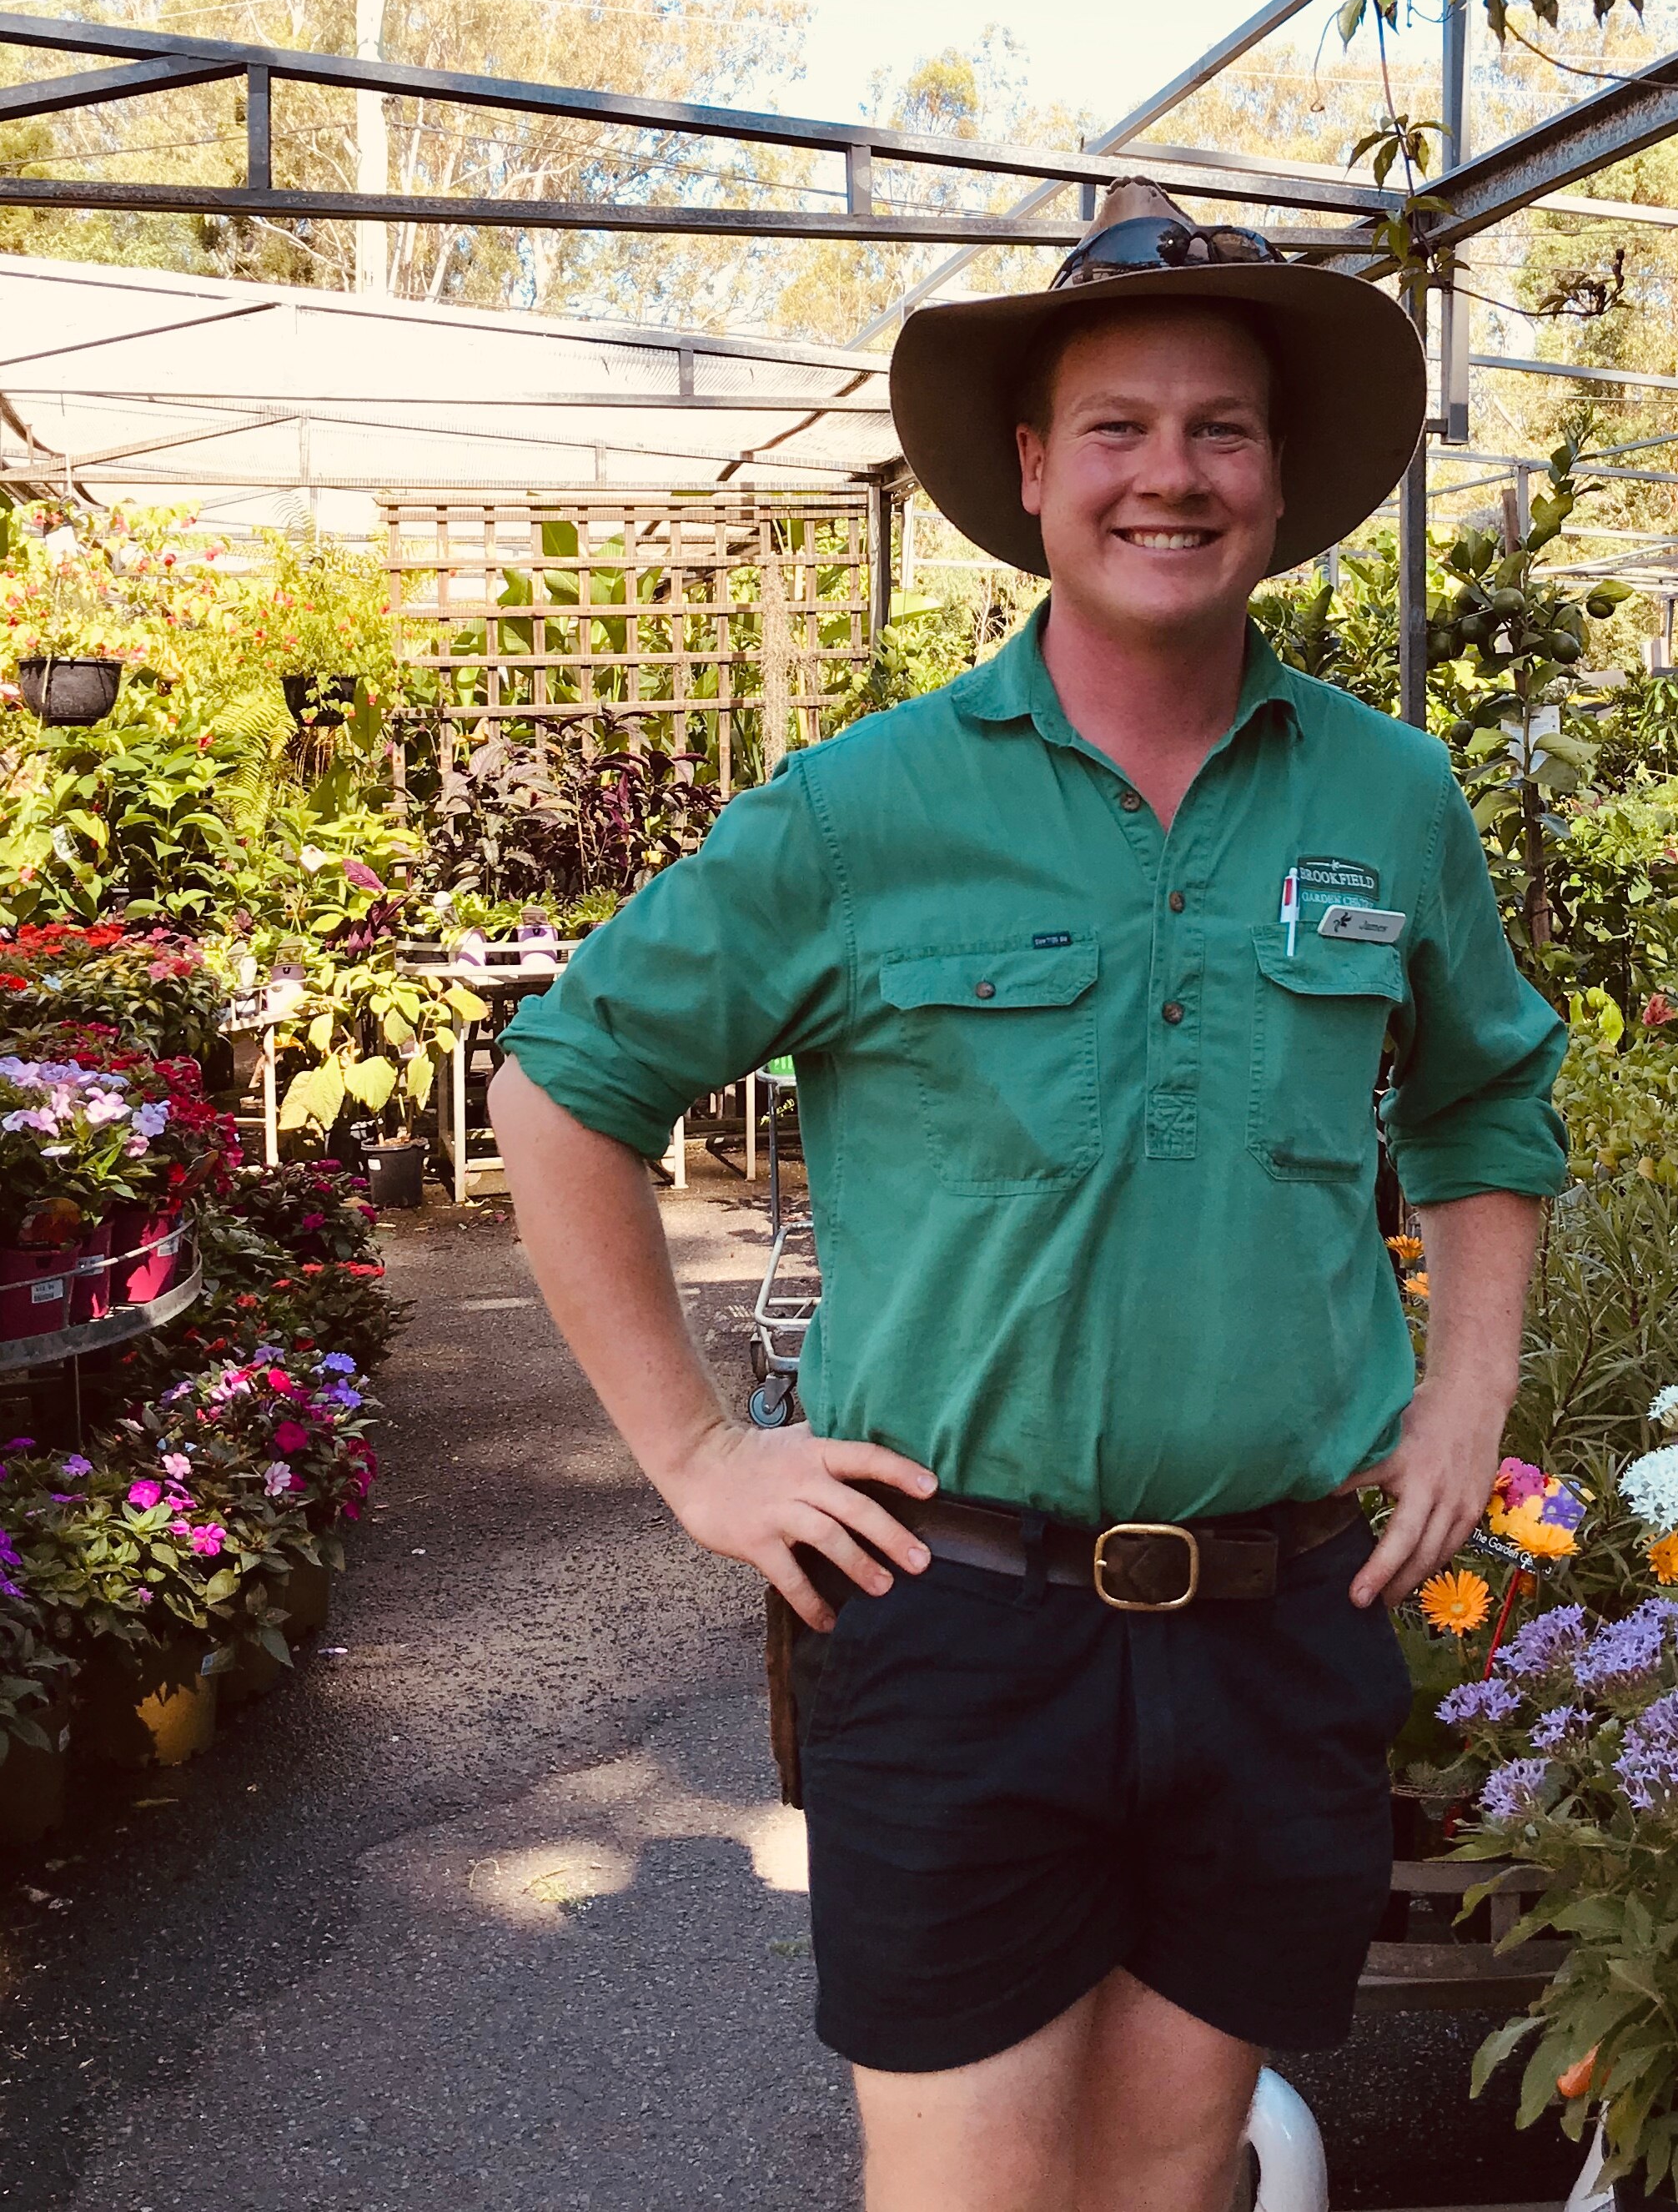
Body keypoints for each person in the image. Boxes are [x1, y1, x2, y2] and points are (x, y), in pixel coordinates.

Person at [488, 181, 1569, 2212]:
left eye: (1220, 427)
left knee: (1175, 2176)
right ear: (1029, 468)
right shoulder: (864, 806)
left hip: (1277, 1620)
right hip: (957, 1620)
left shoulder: (1384, 797)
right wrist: (702, 1452)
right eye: (1118, 426)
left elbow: (1488, 1102)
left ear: (1281, 473)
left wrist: (1466, 1394)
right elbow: (566, 1095)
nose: (1171, 473)